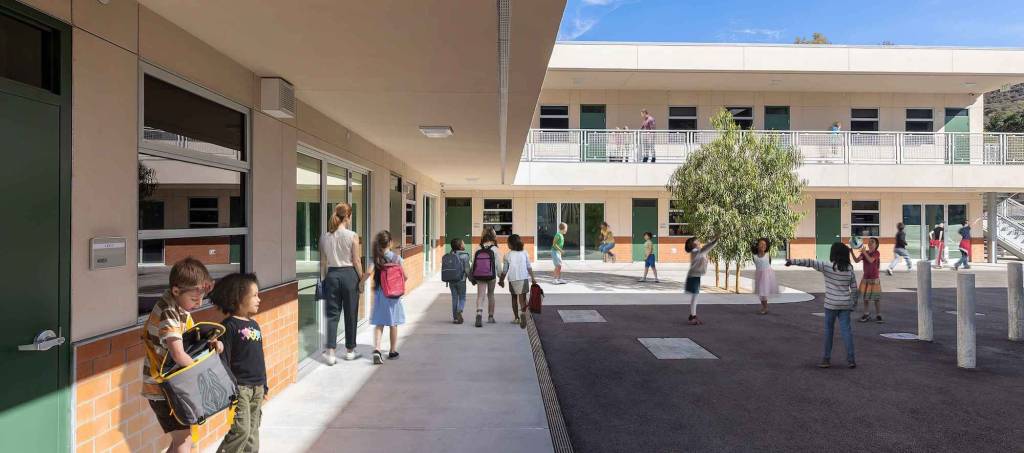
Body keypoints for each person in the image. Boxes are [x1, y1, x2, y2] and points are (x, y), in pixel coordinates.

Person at [142, 257, 220, 453]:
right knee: (183, 442)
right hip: (163, 391)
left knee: (184, 441)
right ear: (176, 291)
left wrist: (211, 344)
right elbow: (178, 354)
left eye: (202, 298)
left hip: (172, 387)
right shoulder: (169, 312)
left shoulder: (179, 307)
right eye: (194, 299)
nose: (199, 303)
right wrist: (205, 374)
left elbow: (191, 342)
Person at [210, 273, 266, 453]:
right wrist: (230, 387)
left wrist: (264, 385)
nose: (259, 299)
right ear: (239, 298)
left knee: (252, 433)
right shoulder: (229, 326)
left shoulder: (255, 325)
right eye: (255, 295)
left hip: (257, 388)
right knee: (241, 431)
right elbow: (223, 359)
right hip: (239, 389)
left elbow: (259, 358)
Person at [786, 243, 858, 369]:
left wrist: (792, 261)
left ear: (833, 253)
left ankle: (826, 359)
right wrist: (853, 304)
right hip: (845, 304)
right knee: (846, 332)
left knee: (828, 332)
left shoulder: (827, 266)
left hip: (830, 304)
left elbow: (810, 262)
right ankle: (851, 359)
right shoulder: (849, 269)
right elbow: (854, 289)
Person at [319, 203, 366, 365]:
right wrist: (361, 279)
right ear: (347, 217)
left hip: (332, 275)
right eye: (350, 216)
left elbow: (323, 262)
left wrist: (325, 279)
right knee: (351, 313)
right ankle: (350, 351)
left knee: (332, 315)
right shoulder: (352, 235)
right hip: (349, 275)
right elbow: (356, 261)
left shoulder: (325, 236)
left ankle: (331, 353)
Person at [369, 230, 406, 365]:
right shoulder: (397, 258)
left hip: (380, 294)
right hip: (394, 295)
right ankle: (392, 350)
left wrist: (361, 283)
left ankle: (377, 349)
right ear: (390, 243)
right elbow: (405, 276)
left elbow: (368, 272)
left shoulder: (377, 259)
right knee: (393, 323)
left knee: (379, 322)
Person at [499, 234, 538, 329]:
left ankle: (516, 318)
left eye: (508, 243)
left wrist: (501, 280)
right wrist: (533, 278)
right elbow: (529, 267)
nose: (507, 244)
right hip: (523, 278)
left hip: (512, 279)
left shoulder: (507, 255)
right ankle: (523, 314)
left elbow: (505, 270)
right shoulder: (525, 253)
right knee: (523, 299)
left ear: (511, 244)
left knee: (514, 298)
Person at [470, 227, 503, 327]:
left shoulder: (478, 248)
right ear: (493, 236)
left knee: (480, 295)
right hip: (491, 275)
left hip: (480, 275)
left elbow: (473, 264)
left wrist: (472, 276)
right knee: (491, 294)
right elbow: (498, 266)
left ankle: (479, 313)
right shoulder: (495, 249)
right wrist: (500, 277)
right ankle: (490, 317)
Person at [684, 236, 719, 325]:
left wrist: (712, 241)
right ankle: (692, 316)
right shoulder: (696, 252)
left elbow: (705, 248)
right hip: (694, 276)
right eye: (697, 241)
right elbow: (706, 248)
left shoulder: (697, 251)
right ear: (693, 244)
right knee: (695, 297)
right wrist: (715, 241)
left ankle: (693, 315)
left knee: (695, 297)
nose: (699, 241)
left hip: (695, 276)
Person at [852, 237, 883, 323]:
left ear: (876, 245)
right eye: (869, 242)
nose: (869, 243)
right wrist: (851, 252)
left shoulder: (877, 253)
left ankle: (879, 315)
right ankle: (866, 314)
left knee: (876, 298)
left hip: (874, 279)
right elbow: (856, 260)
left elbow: (870, 260)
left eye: (872, 242)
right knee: (865, 298)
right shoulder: (864, 253)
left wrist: (864, 252)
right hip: (866, 278)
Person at [446, 238, 471, 323]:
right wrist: (472, 279)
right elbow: (467, 270)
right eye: (463, 243)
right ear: (460, 246)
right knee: (462, 298)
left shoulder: (449, 255)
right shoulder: (465, 255)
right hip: (461, 280)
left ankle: (455, 318)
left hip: (451, 280)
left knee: (454, 298)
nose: (464, 245)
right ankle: (460, 310)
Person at [751, 238, 778, 315]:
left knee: (764, 292)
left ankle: (765, 307)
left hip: (767, 276)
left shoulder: (767, 255)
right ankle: (763, 307)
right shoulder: (755, 256)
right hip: (759, 275)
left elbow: (769, 264)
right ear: (757, 246)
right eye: (761, 244)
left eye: (764, 244)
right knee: (761, 292)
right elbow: (757, 264)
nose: (763, 246)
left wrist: (768, 273)